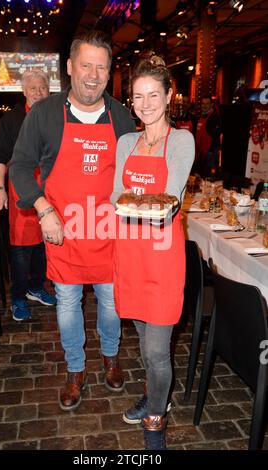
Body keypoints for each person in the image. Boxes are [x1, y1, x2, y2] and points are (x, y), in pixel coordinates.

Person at [9, 31, 136, 411]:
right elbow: (19, 167)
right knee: (67, 303)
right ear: (69, 67)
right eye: (86, 65)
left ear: (110, 72)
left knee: (110, 302)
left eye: (102, 67)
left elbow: (133, 172)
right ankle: (76, 368)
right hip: (62, 230)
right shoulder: (45, 113)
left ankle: (110, 357)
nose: (93, 75)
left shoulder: (121, 116)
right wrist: (43, 209)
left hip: (107, 232)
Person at [111, 56, 194, 450]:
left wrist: (134, 202)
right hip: (129, 255)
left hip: (162, 257)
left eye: (153, 95)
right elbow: (115, 194)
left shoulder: (182, 140)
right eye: (138, 96)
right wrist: (132, 202)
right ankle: (153, 391)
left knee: (158, 350)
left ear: (168, 95)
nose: (145, 104)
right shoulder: (126, 142)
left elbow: (171, 198)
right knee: (144, 343)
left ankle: (156, 418)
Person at [0, 69, 56, 321]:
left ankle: (36, 286)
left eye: (43, 87)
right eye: (33, 88)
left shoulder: (55, 116)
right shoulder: (13, 119)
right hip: (22, 191)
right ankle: (18, 296)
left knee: (44, 243)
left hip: (50, 191)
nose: (39, 93)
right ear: (24, 91)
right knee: (21, 249)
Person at [194, 96, 221, 177]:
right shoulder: (200, 117)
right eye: (203, 104)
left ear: (211, 105)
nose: (204, 106)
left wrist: (211, 152)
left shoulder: (214, 117)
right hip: (199, 155)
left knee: (208, 180)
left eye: (207, 104)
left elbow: (216, 139)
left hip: (209, 156)